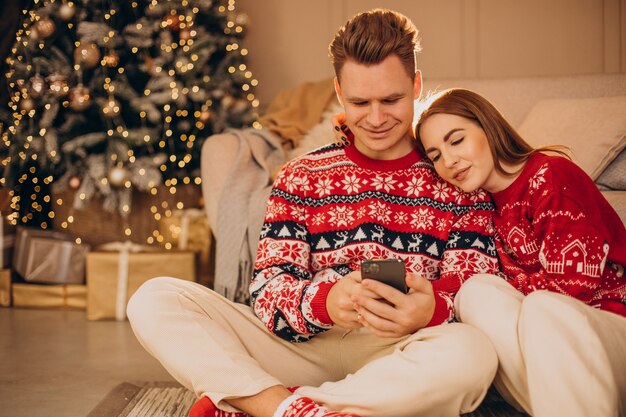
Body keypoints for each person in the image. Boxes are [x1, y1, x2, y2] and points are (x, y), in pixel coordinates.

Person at [127, 11, 501, 417]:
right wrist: (326, 301)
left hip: (400, 352)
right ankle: (290, 408)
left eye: (391, 100)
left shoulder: (455, 176)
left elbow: (475, 288)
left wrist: (429, 309)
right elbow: (267, 292)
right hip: (304, 347)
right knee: (154, 299)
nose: (376, 119)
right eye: (360, 102)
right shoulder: (301, 175)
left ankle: (264, 402)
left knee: (475, 354)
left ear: (416, 85)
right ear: (339, 92)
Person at [411, 88, 626, 417]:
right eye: (436, 155)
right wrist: (424, 293)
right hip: (550, 353)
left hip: (608, 327)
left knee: (542, 307)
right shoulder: (480, 206)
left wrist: (506, 286)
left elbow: (573, 288)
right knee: (475, 292)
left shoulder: (552, 176)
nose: (449, 161)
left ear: (488, 127)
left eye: (456, 140)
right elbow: (472, 281)